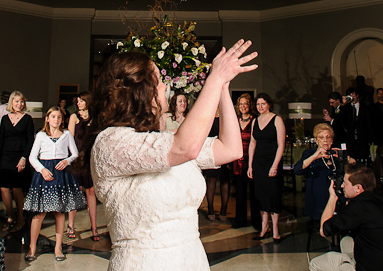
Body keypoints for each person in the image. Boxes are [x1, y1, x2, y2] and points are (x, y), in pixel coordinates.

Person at [75, 39, 257, 270]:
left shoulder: (162, 140)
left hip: (192, 260)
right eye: (159, 81)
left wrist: (222, 87)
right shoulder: (110, 143)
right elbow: (186, 148)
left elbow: (230, 148)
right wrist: (213, 80)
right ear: (140, 90)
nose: (164, 87)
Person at [24, 106, 86, 262]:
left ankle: (58, 248)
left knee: (59, 212)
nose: (56, 120)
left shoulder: (66, 135)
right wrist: (42, 170)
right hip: (45, 174)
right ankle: (32, 247)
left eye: (59, 117)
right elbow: (32, 157)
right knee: (39, 213)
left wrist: (66, 161)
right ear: (47, 118)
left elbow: (75, 154)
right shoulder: (40, 135)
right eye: (53, 117)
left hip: (61, 173)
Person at [311, 163, 383, 271]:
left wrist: (333, 197)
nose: (342, 186)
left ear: (358, 188)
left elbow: (324, 230)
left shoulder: (359, 206)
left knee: (315, 263)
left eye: (345, 183)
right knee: (346, 241)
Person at [0, 91, 34, 233]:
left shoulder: (27, 119)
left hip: (19, 156)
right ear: (11, 103)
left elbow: (30, 141)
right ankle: (10, 216)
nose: (19, 104)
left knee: (17, 188)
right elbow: (1, 139)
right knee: (4, 188)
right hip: (5, 155)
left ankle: (21, 219)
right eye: (16, 101)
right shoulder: (5, 118)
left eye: (21, 102)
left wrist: (24, 158)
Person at [295, 123, 354, 221]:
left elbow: (355, 166)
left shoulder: (336, 155)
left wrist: (345, 157)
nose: (325, 140)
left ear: (332, 140)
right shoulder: (309, 154)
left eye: (328, 137)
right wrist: (315, 157)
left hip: (337, 196)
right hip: (318, 197)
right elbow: (297, 170)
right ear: (316, 140)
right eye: (321, 137)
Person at [248, 92, 286, 241]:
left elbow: (281, 144)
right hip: (258, 163)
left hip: (272, 162)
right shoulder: (255, 121)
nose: (260, 107)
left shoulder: (277, 119)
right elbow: (252, 143)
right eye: (258, 104)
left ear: (269, 104)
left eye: (263, 104)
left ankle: (275, 229)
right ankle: (264, 227)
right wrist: (250, 165)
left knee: (273, 195)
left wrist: (275, 166)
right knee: (261, 195)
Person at [67, 91, 100, 241]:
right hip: (77, 157)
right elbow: (69, 138)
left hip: (90, 157)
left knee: (91, 191)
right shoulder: (74, 117)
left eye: (81, 101)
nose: (79, 103)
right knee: (75, 191)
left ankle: (94, 227)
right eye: (78, 101)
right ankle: (71, 225)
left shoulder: (95, 117)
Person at [231, 93, 261, 230]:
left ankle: (256, 221)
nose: (243, 106)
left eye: (245, 103)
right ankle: (240, 220)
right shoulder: (234, 120)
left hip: (252, 159)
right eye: (240, 104)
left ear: (250, 105)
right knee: (240, 192)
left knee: (255, 192)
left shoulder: (255, 120)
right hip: (238, 159)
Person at [202, 114, 231, 221]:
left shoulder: (225, 113)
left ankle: (224, 209)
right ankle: (210, 209)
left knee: (225, 180)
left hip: (224, 149)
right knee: (211, 179)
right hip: (210, 149)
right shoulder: (208, 111)